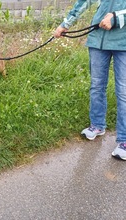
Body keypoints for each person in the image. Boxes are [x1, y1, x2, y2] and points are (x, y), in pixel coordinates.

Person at [54, 0, 126, 160]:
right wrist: (65, 24)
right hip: (98, 39)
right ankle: (97, 125)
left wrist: (116, 17)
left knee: (123, 91)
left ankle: (124, 140)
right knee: (96, 86)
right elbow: (85, 1)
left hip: (123, 43)